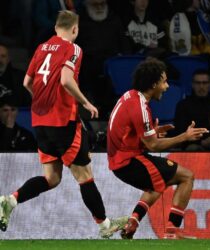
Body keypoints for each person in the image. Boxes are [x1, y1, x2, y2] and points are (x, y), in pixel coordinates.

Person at [0, 10, 126, 238]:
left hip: (39, 122)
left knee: (52, 178)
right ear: (75, 29)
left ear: (56, 27)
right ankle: (105, 224)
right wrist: (86, 103)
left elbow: (27, 82)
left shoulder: (40, 48)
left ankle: (10, 200)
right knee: (84, 176)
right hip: (62, 121)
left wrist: (42, 101)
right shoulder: (73, 48)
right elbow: (66, 80)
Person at [107, 58, 209, 239]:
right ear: (154, 84)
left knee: (157, 183)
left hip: (120, 160)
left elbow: (129, 133)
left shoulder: (129, 96)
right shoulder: (140, 108)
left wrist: (153, 132)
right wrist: (184, 137)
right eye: (164, 82)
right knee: (186, 176)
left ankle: (132, 224)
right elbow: (153, 145)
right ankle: (172, 231)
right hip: (128, 161)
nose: (167, 86)